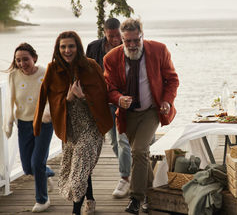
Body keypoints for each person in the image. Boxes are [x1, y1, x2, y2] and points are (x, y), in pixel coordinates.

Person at [103, 17, 179, 214]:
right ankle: (150, 195)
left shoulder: (158, 50)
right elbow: (109, 88)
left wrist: (167, 101)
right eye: (128, 41)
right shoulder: (111, 58)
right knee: (142, 155)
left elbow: (172, 79)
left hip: (151, 111)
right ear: (121, 39)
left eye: (136, 40)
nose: (133, 45)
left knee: (137, 151)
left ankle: (135, 199)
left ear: (142, 36)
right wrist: (119, 99)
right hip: (128, 115)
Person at [33, 31, 113, 215]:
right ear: (57, 49)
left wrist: (83, 97)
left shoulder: (91, 66)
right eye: (63, 47)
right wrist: (67, 99)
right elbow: (46, 98)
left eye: (71, 46)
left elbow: (102, 96)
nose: (67, 50)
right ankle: (90, 199)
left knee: (78, 170)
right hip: (69, 130)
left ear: (78, 47)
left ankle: (75, 212)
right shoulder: (52, 69)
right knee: (81, 165)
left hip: (91, 128)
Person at [2, 43, 54, 212]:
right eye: (18, 60)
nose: (22, 63)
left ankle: (42, 199)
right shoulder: (13, 75)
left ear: (34, 58)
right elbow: (10, 99)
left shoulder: (45, 73)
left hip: (43, 122)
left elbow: (53, 98)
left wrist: (47, 115)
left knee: (36, 161)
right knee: (27, 167)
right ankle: (45, 173)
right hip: (23, 123)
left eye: (25, 59)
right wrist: (8, 122)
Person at [86, 17, 132, 198]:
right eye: (111, 35)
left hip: (122, 100)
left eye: (117, 35)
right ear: (104, 32)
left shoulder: (128, 46)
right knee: (113, 141)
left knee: (123, 140)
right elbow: (87, 71)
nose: (115, 39)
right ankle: (131, 168)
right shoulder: (93, 47)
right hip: (103, 102)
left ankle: (125, 178)